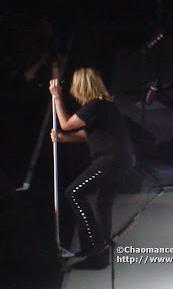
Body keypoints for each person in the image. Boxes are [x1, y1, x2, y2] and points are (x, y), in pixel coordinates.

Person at [49, 68, 133, 269]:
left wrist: (56, 97)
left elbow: (67, 123)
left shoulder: (96, 105)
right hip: (121, 161)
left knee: (74, 193)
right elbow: (90, 134)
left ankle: (94, 246)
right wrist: (64, 139)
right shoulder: (104, 107)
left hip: (109, 161)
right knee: (103, 204)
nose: (71, 90)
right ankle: (99, 256)